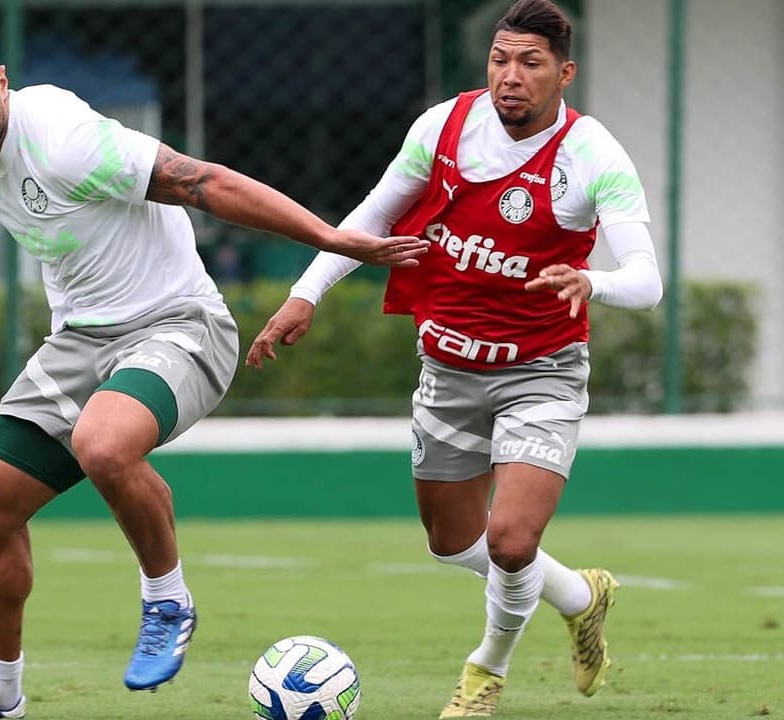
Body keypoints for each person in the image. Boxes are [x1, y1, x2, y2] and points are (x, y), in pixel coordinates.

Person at [0, 16, 428, 719]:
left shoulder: (68, 139)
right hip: (79, 344)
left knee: (103, 444)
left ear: (1, 81)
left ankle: (168, 600)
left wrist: (324, 236)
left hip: (179, 326)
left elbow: (204, 182)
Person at [245, 0, 662, 716]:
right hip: (448, 368)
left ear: (564, 74)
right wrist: (305, 294)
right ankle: (580, 594)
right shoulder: (442, 125)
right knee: (451, 543)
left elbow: (648, 281)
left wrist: (590, 280)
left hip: (542, 370)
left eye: (530, 63)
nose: (511, 77)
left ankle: (483, 675)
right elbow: (371, 217)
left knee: (509, 540)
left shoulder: (592, 154)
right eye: (500, 60)